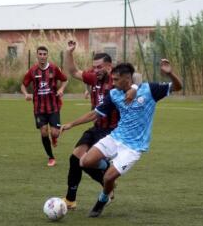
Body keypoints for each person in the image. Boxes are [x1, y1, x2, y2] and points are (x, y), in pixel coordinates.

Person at [61, 59, 182, 217]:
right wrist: (72, 124)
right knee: (84, 162)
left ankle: (103, 199)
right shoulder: (114, 94)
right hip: (115, 138)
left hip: (133, 147)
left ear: (127, 78)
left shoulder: (149, 90)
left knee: (109, 178)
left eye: (116, 79)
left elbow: (178, 87)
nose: (113, 82)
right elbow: (95, 113)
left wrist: (170, 73)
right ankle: (108, 165)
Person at [62, 40, 139, 209]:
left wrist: (133, 87)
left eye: (99, 67)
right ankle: (70, 199)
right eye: (94, 67)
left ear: (109, 67)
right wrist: (69, 52)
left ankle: (107, 180)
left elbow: (136, 80)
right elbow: (74, 71)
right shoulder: (94, 79)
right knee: (75, 158)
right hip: (96, 127)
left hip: (112, 131)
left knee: (86, 161)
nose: (95, 70)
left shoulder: (117, 82)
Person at [21, 46, 67, 166]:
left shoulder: (54, 68)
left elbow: (65, 80)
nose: (42, 56)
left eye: (44, 54)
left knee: (55, 132)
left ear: (47, 55)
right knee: (43, 132)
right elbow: (23, 85)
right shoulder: (32, 71)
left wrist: (61, 89)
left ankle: (55, 137)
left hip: (53, 107)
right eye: (40, 54)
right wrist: (26, 94)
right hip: (39, 108)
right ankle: (51, 157)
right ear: (37, 55)